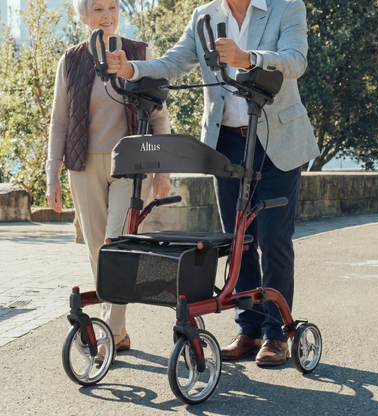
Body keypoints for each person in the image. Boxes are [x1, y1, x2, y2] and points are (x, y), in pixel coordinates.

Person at [107, 0, 320, 366]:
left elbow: (295, 60)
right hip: (226, 144)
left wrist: (249, 58)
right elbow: (173, 62)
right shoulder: (204, 15)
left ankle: (275, 333)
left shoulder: (287, 7)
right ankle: (249, 330)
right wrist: (132, 68)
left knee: (273, 238)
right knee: (238, 240)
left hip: (278, 141)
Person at [46, 0, 171, 362]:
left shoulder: (139, 53)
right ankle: (119, 329)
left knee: (118, 243)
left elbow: (159, 114)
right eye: (97, 7)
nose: (107, 14)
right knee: (98, 251)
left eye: (113, 6)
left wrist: (162, 168)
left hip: (131, 163)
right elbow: (59, 121)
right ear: (83, 16)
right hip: (83, 164)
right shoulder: (71, 60)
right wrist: (52, 172)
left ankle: (110, 332)